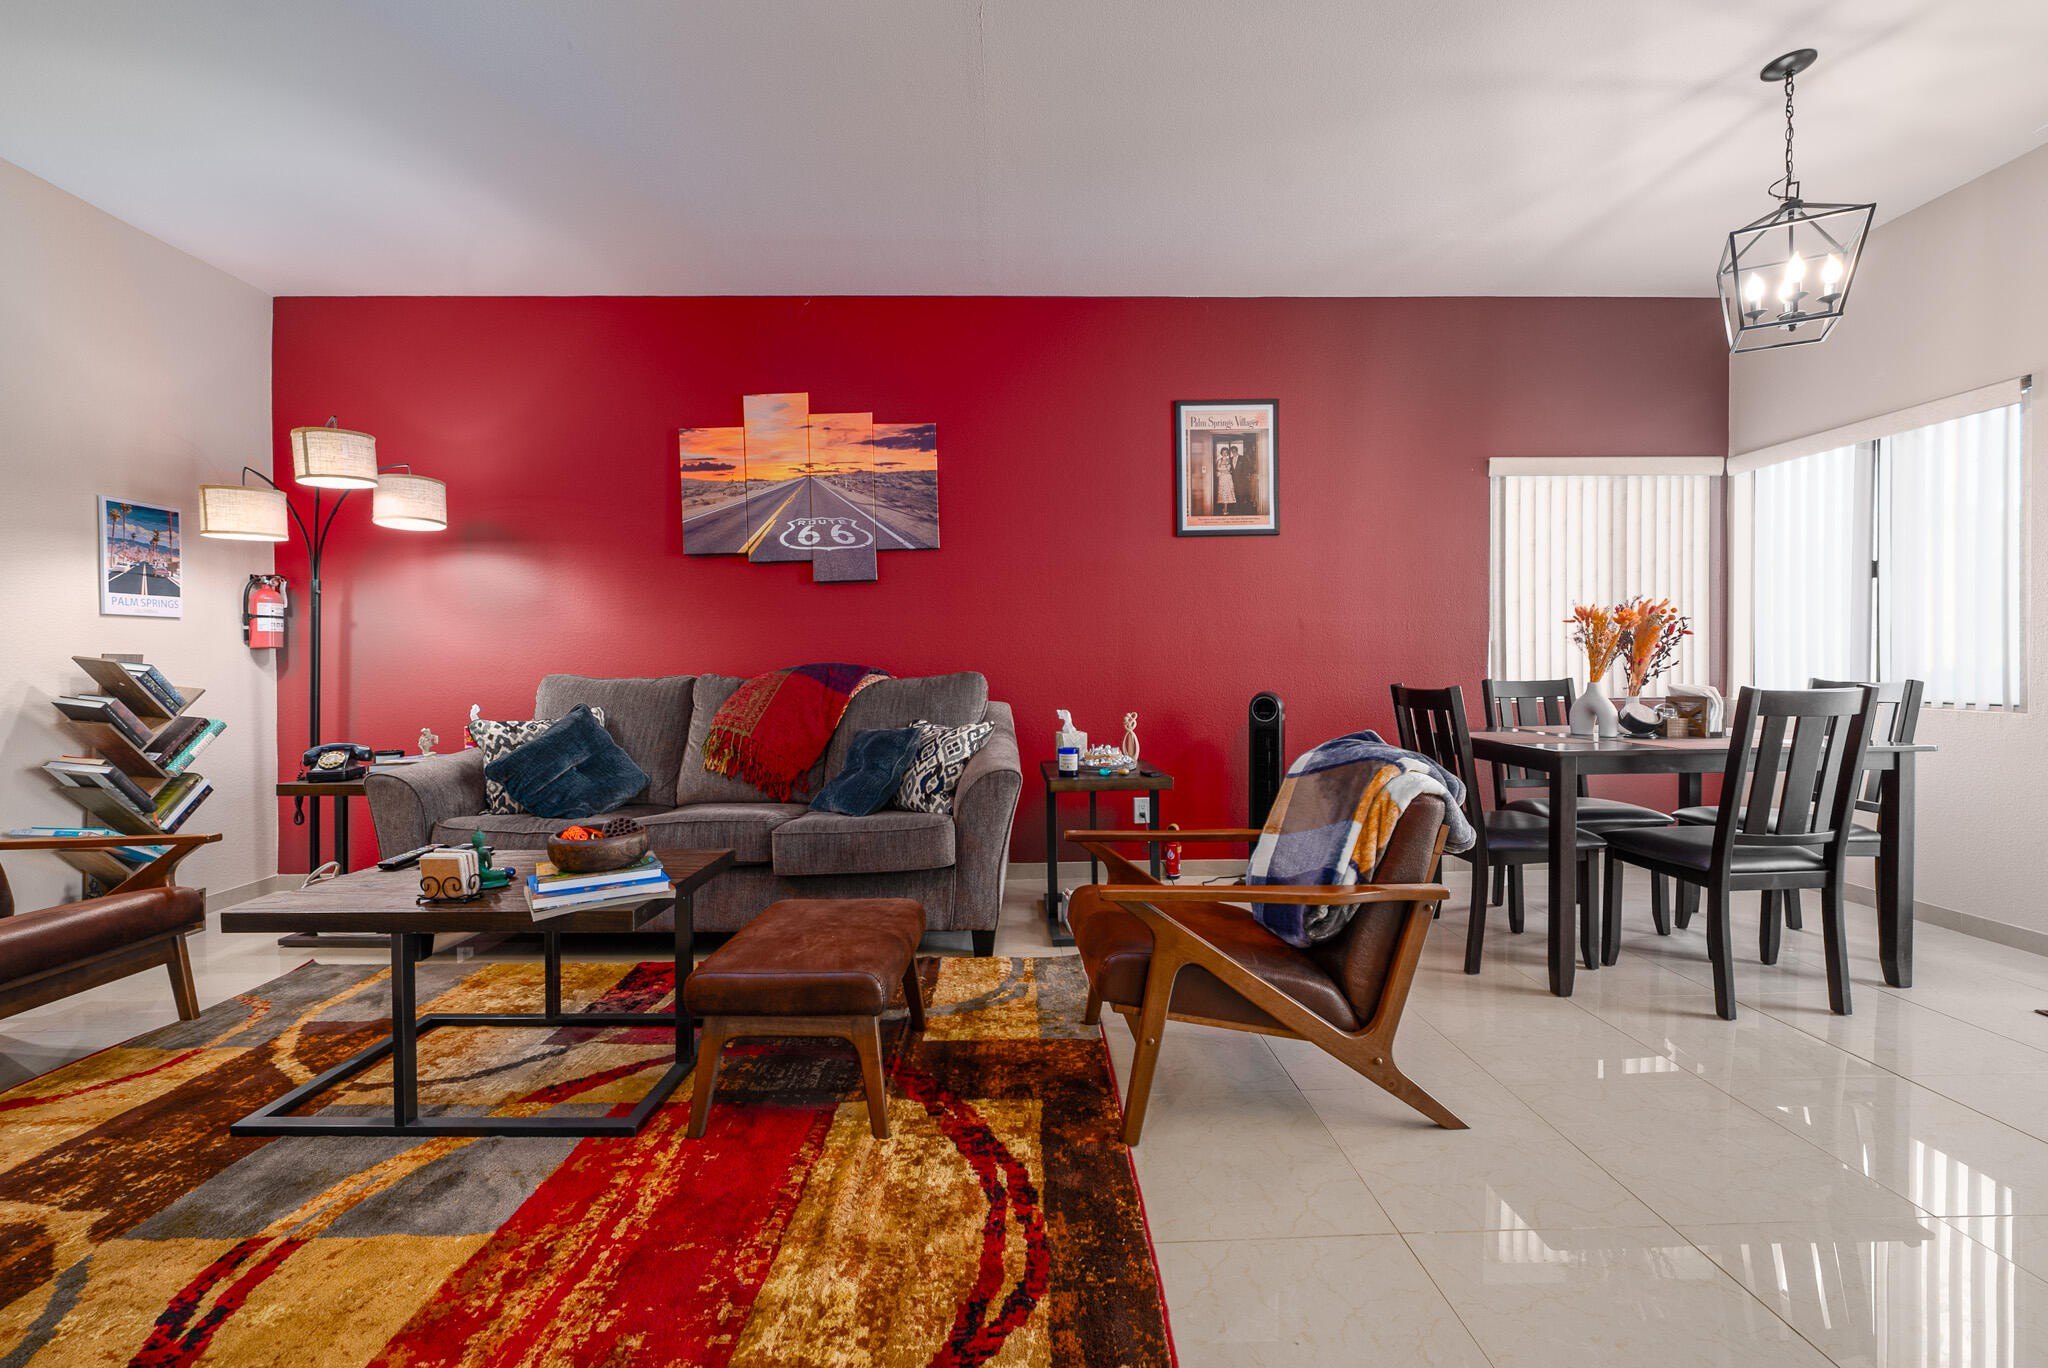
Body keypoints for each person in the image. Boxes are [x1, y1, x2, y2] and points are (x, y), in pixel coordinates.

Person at [1214, 443, 1240, 514]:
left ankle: (1225, 509)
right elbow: (1217, 469)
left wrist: (1222, 470)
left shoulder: (1229, 460)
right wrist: (1221, 471)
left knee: (1227, 492)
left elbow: (1228, 470)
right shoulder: (1219, 460)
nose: (1224, 454)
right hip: (1221, 478)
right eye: (1223, 452)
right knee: (1222, 492)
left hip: (1227, 478)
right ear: (1221, 453)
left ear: (1227, 453)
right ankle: (1224, 508)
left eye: (1226, 452)